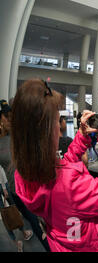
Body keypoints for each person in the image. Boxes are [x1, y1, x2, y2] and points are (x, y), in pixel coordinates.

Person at [11, 79, 98, 251]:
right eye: (58, 121)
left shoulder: (24, 174)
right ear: (47, 131)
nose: (60, 127)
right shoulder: (71, 186)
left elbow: (61, 170)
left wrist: (81, 136)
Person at [0, 99, 50, 252]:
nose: (10, 119)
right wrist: (3, 189)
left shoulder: (18, 135)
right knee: (35, 225)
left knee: (46, 223)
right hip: (17, 192)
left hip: (34, 187)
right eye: (7, 116)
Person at [0, 166, 33, 252]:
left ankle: (16, 242)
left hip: (3, 184)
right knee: (14, 209)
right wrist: (4, 187)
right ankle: (24, 233)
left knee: (4, 215)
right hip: (2, 184)